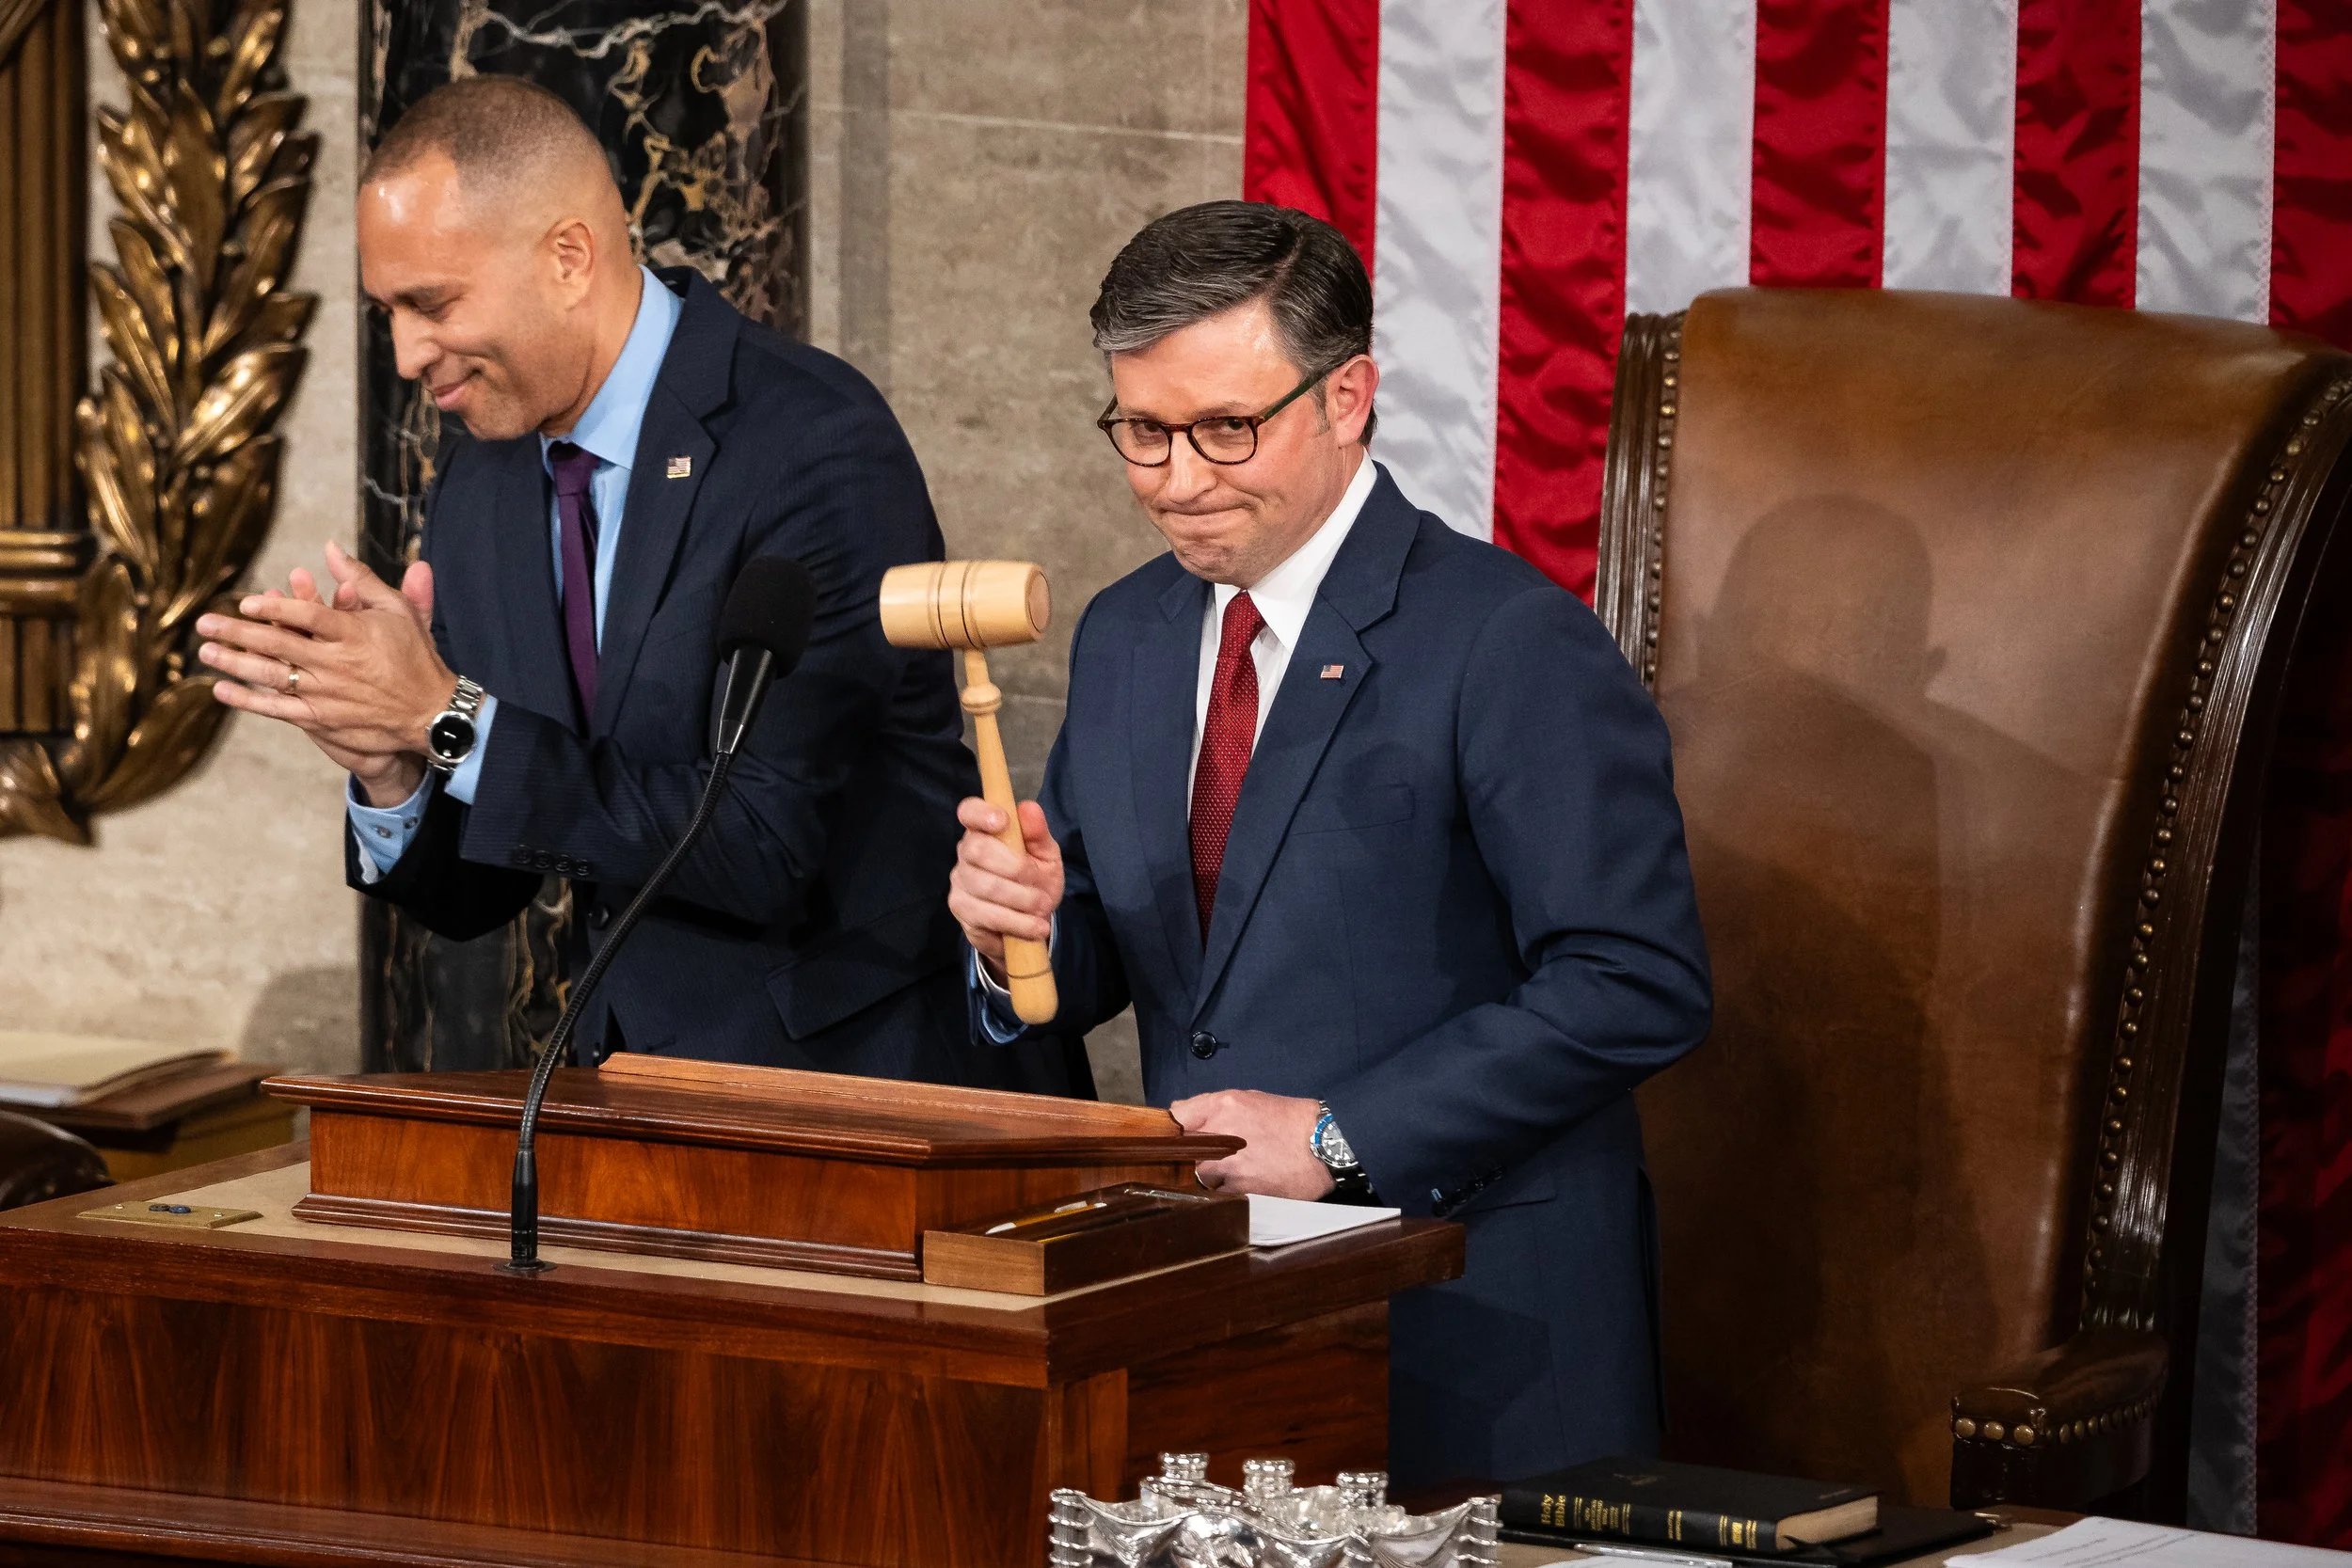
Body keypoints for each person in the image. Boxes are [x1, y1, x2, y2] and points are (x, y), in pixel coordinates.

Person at [948, 200, 1712, 1484]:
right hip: (1214, 1326)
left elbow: (1637, 979)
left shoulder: (1504, 641)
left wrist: (1345, 1132)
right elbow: (1118, 974)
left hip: (1473, 1327)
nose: (1179, 480)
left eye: (1226, 428)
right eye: (1143, 430)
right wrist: (1010, 932)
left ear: (1347, 396)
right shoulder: (1129, 632)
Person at [197, 75, 1084, 1091]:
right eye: (388, 311)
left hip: (869, 1101)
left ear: (568, 256)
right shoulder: (482, 485)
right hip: (629, 1109)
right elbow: (491, 882)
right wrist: (393, 763)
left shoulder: (810, 445)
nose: (405, 353)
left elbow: (755, 837)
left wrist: (444, 712)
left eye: (431, 303)